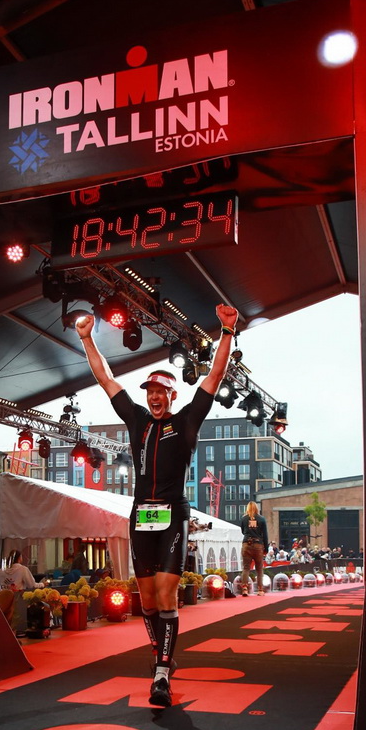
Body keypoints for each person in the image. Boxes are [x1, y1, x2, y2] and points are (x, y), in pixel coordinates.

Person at [76, 303, 239, 707]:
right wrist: (86, 338)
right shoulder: (137, 420)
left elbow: (214, 377)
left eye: (160, 391)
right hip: (140, 515)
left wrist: (227, 331)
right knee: (147, 599)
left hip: (172, 516)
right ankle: (161, 653)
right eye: (149, 391)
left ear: (171, 395)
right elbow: (105, 378)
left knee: (166, 595)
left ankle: (162, 673)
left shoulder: (185, 422)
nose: (153, 397)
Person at [239, 501, 268, 596]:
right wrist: (266, 548)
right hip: (258, 544)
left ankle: (244, 588)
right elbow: (265, 535)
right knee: (259, 568)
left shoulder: (243, 519)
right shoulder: (262, 519)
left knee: (246, 567)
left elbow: (243, 531)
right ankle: (260, 589)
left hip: (246, 544)